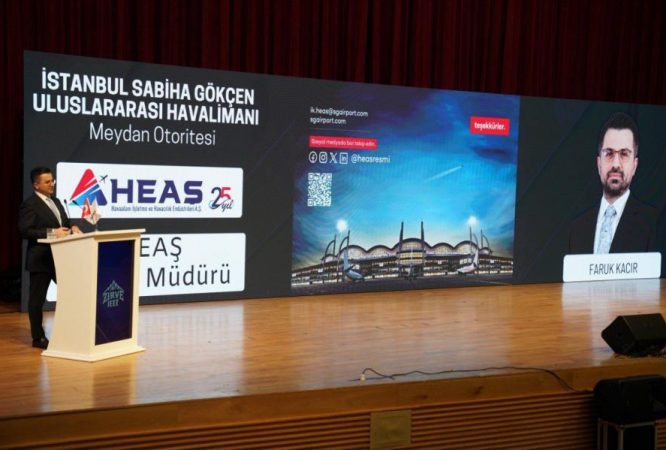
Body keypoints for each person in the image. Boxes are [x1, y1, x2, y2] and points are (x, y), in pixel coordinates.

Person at [568, 112, 657, 254]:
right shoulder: (576, 229)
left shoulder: (654, 223)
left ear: (635, 165)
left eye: (624, 154)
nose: (616, 164)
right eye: (609, 153)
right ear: (599, 164)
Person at [18, 167, 81, 349]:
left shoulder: (57, 201)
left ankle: (71, 330)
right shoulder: (30, 205)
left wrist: (73, 227)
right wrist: (53, 233)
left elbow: (64, 223)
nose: (52, 184)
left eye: (52, 180)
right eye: (47, 182)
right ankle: (38, 338)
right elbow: (25, 231)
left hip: (61, 258)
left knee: (73, 292)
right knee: (37, 300)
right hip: (41, 259)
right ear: (36, 185)